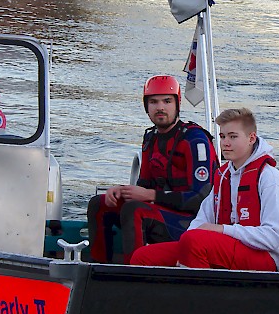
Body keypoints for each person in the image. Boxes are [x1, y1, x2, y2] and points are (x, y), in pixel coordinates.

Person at [131, 107, 279, 272]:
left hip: (266, 256)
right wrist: (183, 249)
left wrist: (222, 230)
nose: (225, 143)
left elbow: (272, 238)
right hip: (229, 247)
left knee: (194, 242)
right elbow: (201, 220)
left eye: (233, 136)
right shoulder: (223, 176)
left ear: (251, 138)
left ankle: (199, 295)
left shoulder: (269, 178)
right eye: (222, 136)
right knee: (143, 256)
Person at [86, 75, 217, 264]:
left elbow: (201, 198)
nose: (160, 107)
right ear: (146, 106)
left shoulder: (195, 141)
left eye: (167, 101)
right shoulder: (151, 139)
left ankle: (136, 271)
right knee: (100, 203)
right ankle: (97, 267)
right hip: (161, 212)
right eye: (153, 102)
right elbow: (144, 186)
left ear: (177, 104)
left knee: (134, 210)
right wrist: (121, 191)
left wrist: (151, 196)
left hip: (192, 222)